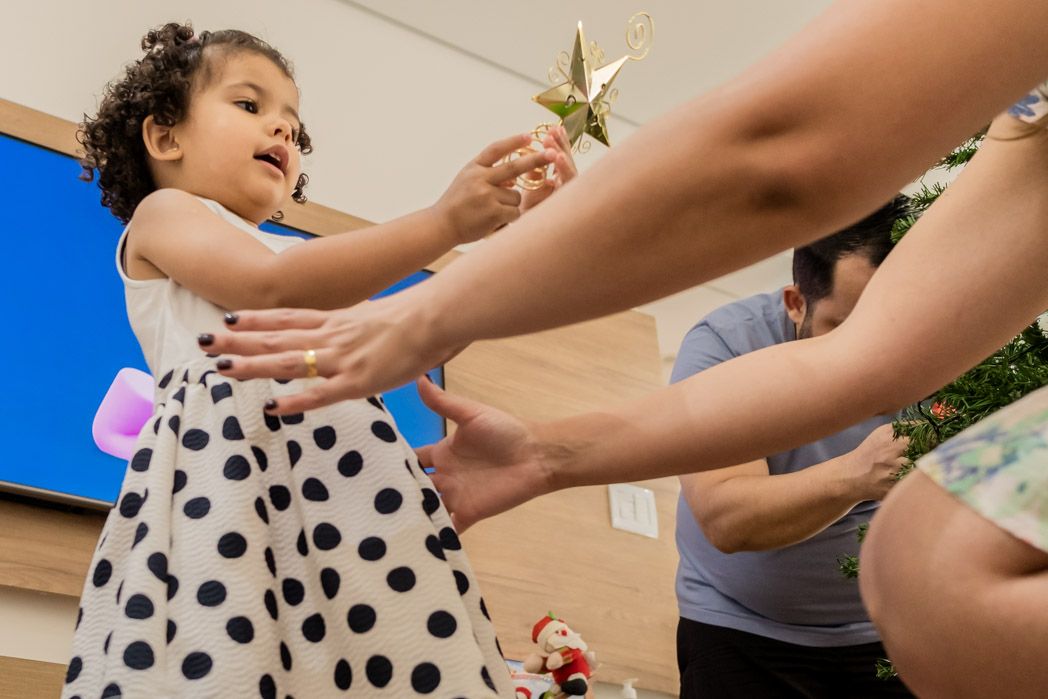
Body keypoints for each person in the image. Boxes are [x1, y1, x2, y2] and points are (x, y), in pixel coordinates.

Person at [202, 1, 1048, 694]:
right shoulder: (1027, 138)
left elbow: (783, 157)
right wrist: (543, 454)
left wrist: (429, 309)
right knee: (933, 559)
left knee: (936, 558)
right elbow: (865, 358)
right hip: (750, 642)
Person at [65, 22, 576, 698]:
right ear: (165, 137)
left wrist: (529, 238)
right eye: (251, 107)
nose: (281, 132)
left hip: (351, 502)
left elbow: (424, 333)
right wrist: (446, 223)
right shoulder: (166, 214)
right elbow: (272, 287)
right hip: (230, 498)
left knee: (380, 655)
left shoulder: (291, 259)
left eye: (293, 127)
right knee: (230, 650)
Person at [671, 199, 911, 698]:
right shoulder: (729, 345)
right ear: (794, 302)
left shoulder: (950, 340)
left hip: (893, 629)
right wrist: (858, 475)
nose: (872, 361)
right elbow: (728, 516)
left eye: (893, 329)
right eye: (844, 329)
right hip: (741, 631)